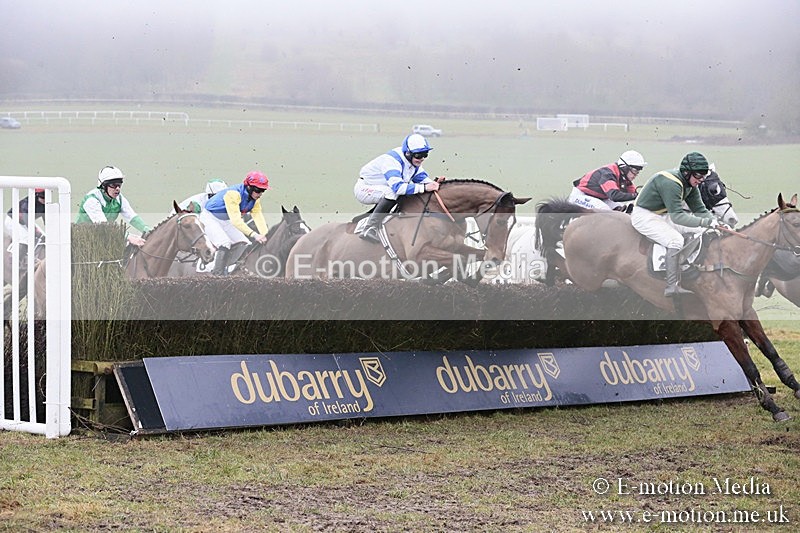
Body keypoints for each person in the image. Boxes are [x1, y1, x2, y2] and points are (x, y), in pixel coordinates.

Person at [631, 152, 723, 297]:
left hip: (662, 215)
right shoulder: (671, 183)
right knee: (676, 241)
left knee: (700, 229)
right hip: (644, 215)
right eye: (698, 176)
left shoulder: (690, 185)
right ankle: (671, 286)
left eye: (703, 177)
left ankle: (682, 264)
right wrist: (706, 222)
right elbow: (678, 217)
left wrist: (715, 222)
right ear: (687, 173)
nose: (701, 180)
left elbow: (699, 209)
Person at [354, 133, 440, 243]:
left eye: (425, 154)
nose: (422, 159)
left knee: (406, 193)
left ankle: (368, 218)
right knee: (394, 193)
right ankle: (369, 228)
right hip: (364, 188)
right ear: (408, 153)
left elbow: (423, 180)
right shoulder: (392, 161)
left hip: (382, 189)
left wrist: (435, 184)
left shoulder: (413, 162)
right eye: (419, 155)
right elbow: (398, 188)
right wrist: (424, 187)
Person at [200, 171, 270, 275]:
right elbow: (236, 221)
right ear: (249, 187)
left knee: (245, 243)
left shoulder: (255, 199)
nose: (260, 194)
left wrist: (266, 235)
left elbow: (258, 217)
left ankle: (229, 269)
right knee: (224, 243)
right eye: (258, 190)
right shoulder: (233, 194)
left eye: (263, 190)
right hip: (209, 217)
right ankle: (217, 276)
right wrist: (255, 235)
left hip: (225, 220)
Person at [76, 166, 151, 247]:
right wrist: (129, 237)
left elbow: (132, 217)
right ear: (103, 185)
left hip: (105, 236)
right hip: (83, 241)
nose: (118, 188)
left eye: (119, 185)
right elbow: (104, 226)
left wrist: (149, 231)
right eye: (113, 185)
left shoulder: (119, 198)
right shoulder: (91, 200)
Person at [568, 150, 646, 211]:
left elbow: (635, 195)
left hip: (600, 198)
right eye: (635, 170)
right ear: (625, 167)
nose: (636, 174)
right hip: (582, 196)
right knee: (605, 212)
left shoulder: (625, 178)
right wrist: (636, 196)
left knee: (622, 209)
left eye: (638, 171)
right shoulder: (608, 174)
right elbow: (614, 196)